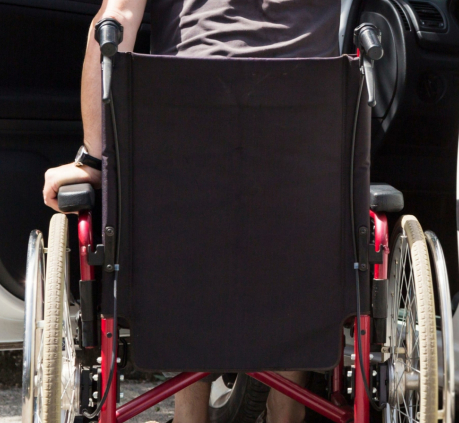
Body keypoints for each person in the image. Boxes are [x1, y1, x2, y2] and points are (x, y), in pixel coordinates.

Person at [41, 1, 341, 422]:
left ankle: (189, 415)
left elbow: (116, 21)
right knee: (294, 214)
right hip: (301, 167)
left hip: (186, 162)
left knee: (183, 208)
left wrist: (92, 160)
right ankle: (287, 416)